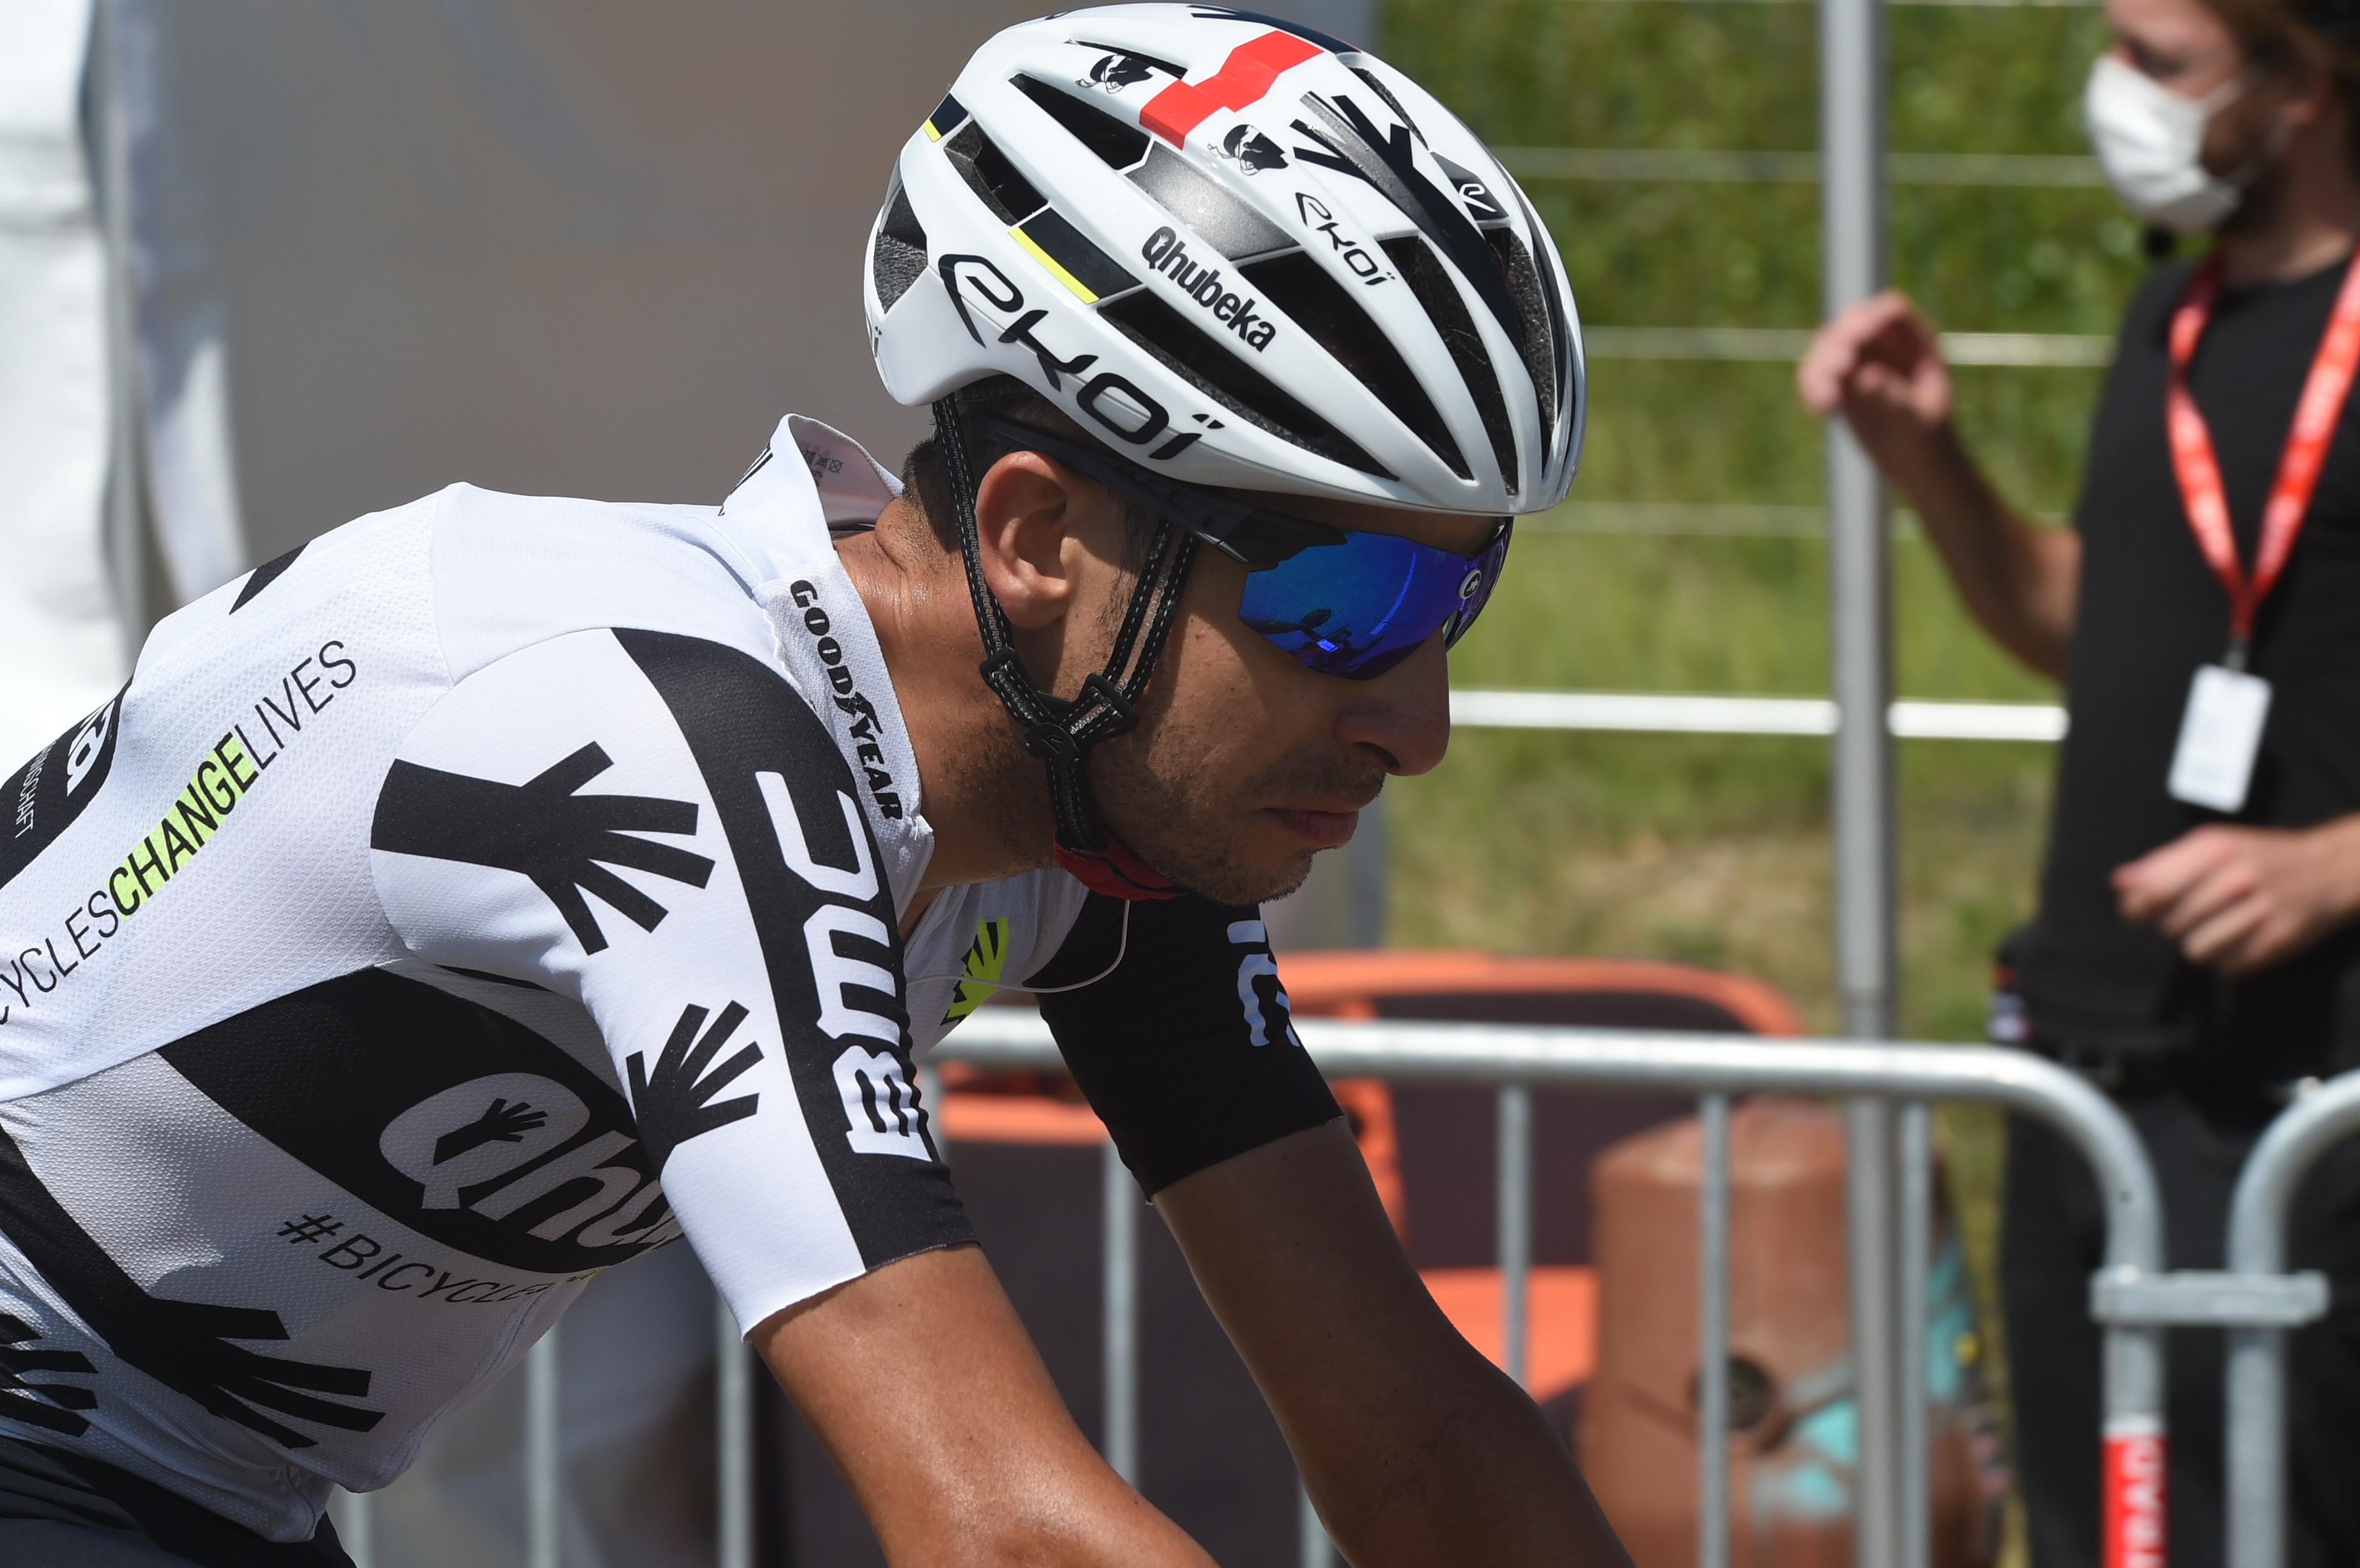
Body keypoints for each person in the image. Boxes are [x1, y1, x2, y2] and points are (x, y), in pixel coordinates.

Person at [0, 7, 1626, 1565]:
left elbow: (1416, 1445)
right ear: (1039, 539)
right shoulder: (669, 739)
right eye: (1348, 602)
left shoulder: (1085, 805)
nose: (1420, 721)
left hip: (184, 1492)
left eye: (1459, 594)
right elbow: (998, 1530)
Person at [1798, 0, 2360, 1560]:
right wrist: (1932, 465)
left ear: (2303, 87)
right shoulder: (2174, 319)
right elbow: (2090, 624)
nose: (2117, 96)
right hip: (2091, 1082)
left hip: (2297, 1103)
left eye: (2160, 61)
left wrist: (2333, 864)